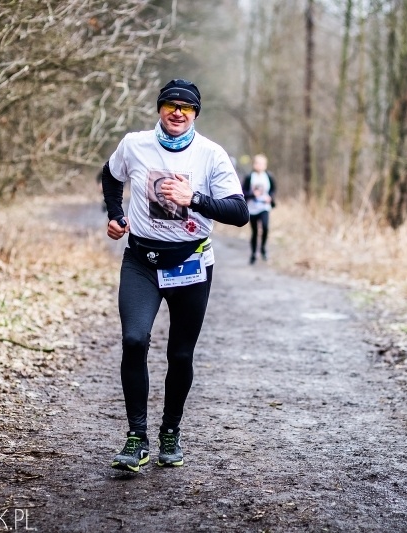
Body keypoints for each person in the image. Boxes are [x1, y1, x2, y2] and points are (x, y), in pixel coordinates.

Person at [101, 78, 249, 472]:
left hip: (191, 264)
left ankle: (170, 431)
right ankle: (137, 438)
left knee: (180, 354)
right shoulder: (134, 145)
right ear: (160, 109)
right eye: (171, 105)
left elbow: (239, 212)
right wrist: (115, 216)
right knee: (134, 340)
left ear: (196, 113)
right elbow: (111, 175)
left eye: (186, 106)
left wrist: (195, 199)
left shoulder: (211, 155)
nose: (178, 112)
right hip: (141, 262)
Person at [242, 154, 276, 264]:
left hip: (264, 207)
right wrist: (252, 195)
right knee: (255, 232)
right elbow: (243, 192)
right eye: (257, 163)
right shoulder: (249, 177)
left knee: (265, 228)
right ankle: (253, 254)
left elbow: (273, 190)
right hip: (252, 208)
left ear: (265, 165)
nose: (259, 165)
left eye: (262, 163)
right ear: (254, 164)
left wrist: (270, 197)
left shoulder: (269, 176)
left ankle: (263, 249)